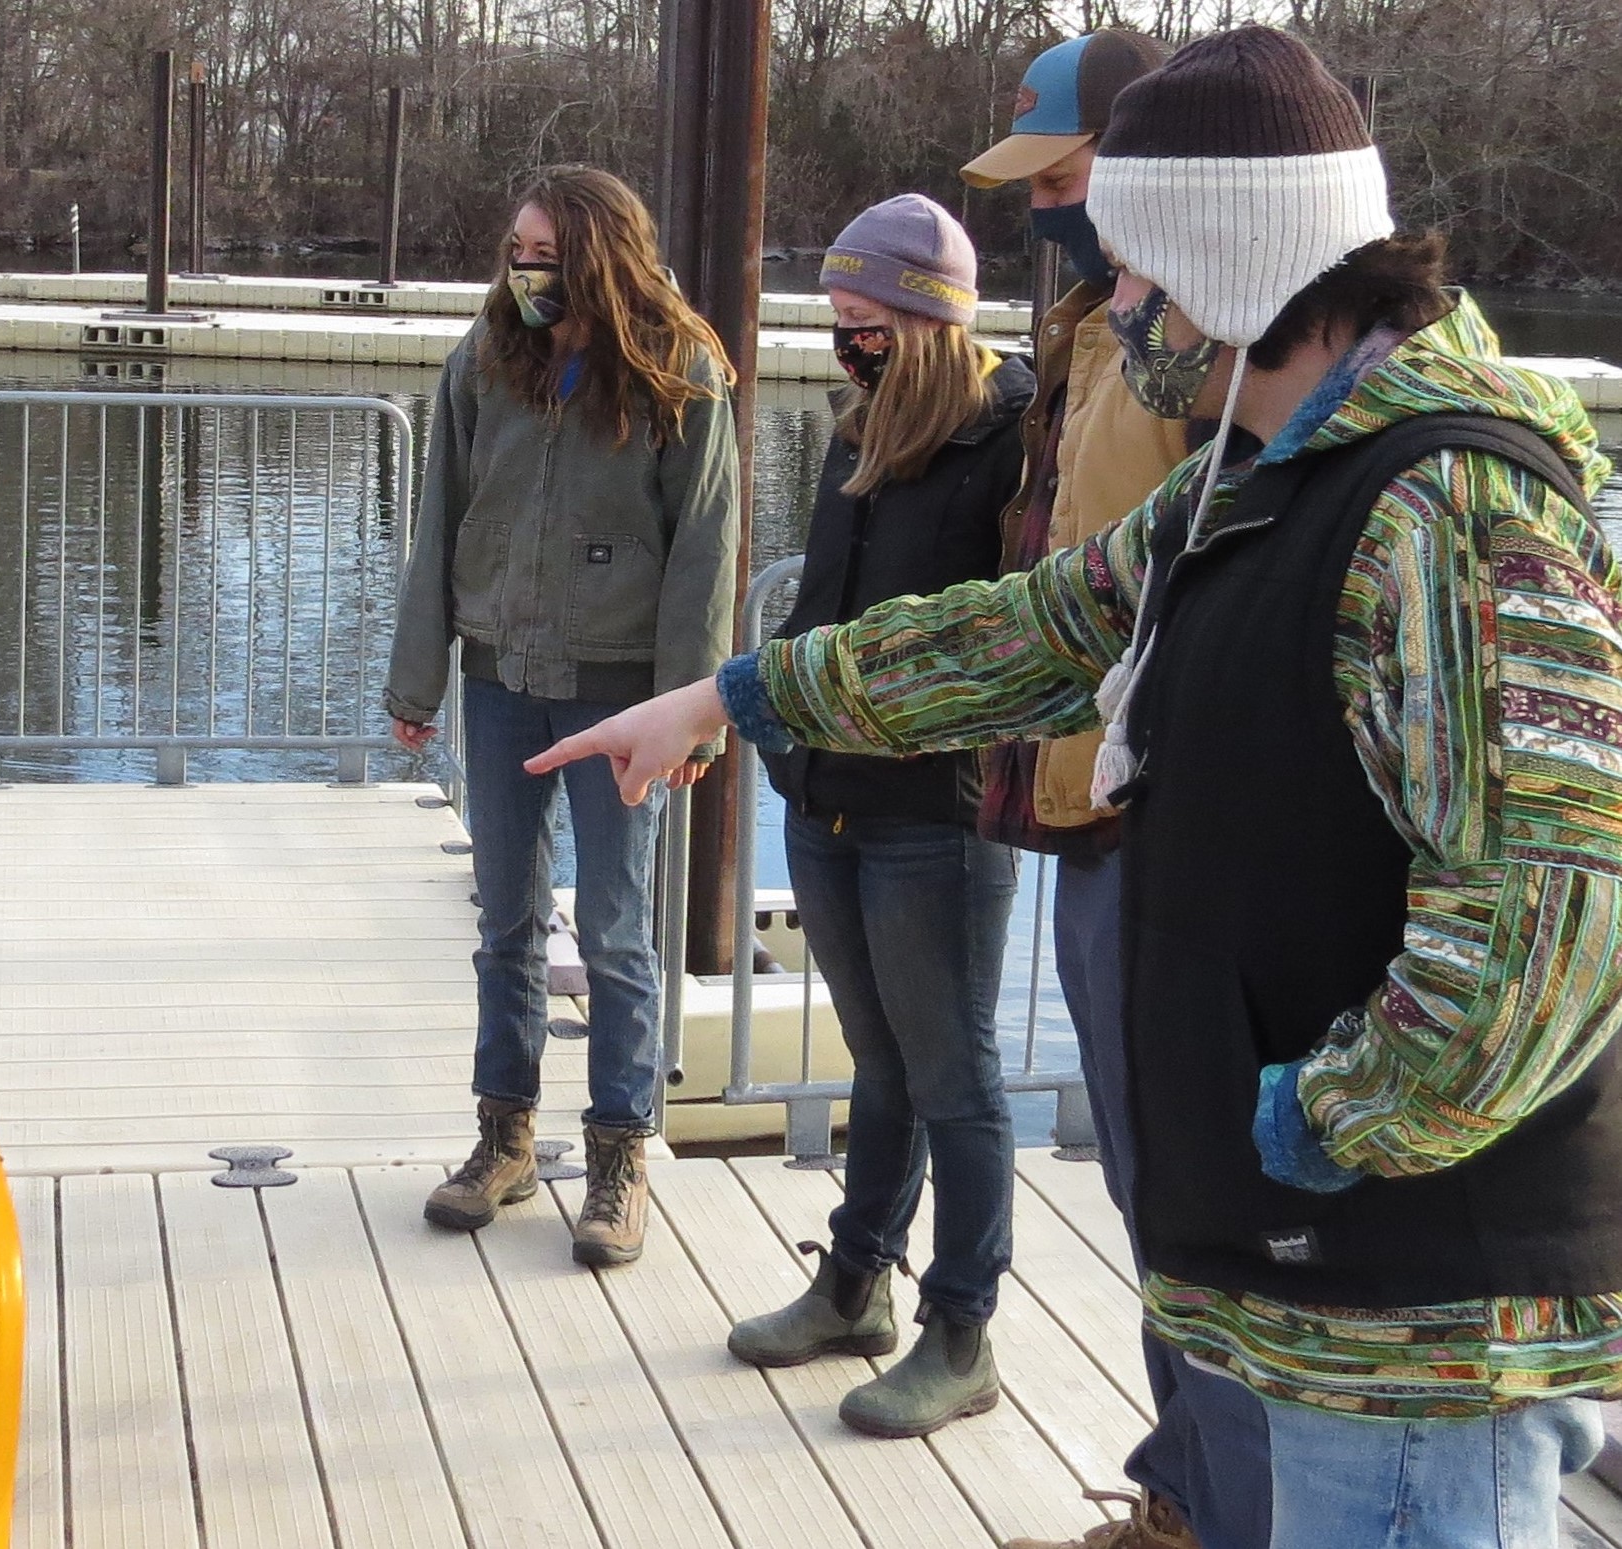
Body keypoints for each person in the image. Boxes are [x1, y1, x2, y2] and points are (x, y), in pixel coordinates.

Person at [530, 29, 1622, 1548]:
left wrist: (1308, 1123)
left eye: (1132, 274)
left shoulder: (1454, 518)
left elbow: (1546, 932)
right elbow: (1034, 629)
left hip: (1415, 1335)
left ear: (1237, 269)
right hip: (1305, 1286)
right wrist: (735, 690)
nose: (1112, 308)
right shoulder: (1254, 475)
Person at [963, 31, 1272, 1549]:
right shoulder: (1099, 327)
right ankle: (1179, 1499)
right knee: (1156, 1198)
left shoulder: (1209, 350)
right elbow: (1065, 581)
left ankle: (1212, 1515)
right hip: (1083, 810)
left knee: (1200, 1200)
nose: (1043, 210)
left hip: (1163, 821)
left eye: (1063, 178)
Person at [385, 163, 740, 1266]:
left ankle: (621, 1155)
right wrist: (416, 685)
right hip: (500, 677)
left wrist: (693, 714)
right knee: (505, 919)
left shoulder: (682, 368)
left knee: (619, 930)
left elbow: (706, 555)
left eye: (546, 252)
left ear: (598, 251)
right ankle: (504, 1137)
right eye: (516, 250)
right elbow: (438, 519)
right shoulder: (483, 359)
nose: (526, 269)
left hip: (623, 690)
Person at [720, 194, 1029, 1440]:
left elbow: (1012, 638)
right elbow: (815, 622)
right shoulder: (858, 431)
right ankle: (856, 1284)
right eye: (837, 322)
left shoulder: (1008, 443)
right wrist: (778, 735)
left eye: (872, 323)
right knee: (881, 1061)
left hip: (939, 812)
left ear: (933, 321)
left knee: (956, 1072)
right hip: (830, 795)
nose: (850, 343)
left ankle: (965, 1330)